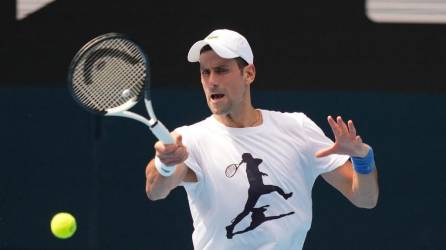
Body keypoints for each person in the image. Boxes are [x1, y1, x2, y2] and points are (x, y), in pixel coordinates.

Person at [145, 29, 379, 250]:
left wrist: (362, 158)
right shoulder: (189, 140)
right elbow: (155, 191)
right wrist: (165, 164)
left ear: (249, 73)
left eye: (221, 70)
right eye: (205, 72)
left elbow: (365, 199)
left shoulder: (297, 128)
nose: (211, 81)